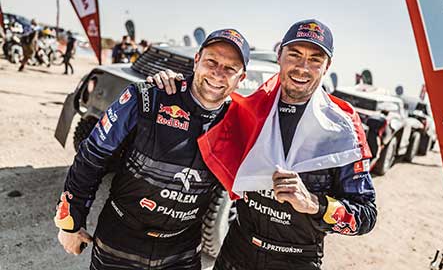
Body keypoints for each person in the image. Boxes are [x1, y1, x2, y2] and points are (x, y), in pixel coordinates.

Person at [153, 19, 377, 270]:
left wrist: (313, 203)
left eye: (315, 59)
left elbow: (366, 215)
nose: (303, 67)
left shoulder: (342, 129)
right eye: (294, 55)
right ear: (279, 55)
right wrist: (172, 85)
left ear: (327, 67)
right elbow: (205, 96)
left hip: (297, 260)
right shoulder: (250, 106)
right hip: (236, 252)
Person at [53, 28, 250, 270]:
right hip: (121, 240)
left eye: (230, 68)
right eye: (212, 61)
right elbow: (91, 157)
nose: (218, 73)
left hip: (182, 251)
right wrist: (70, 222)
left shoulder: (239, 122)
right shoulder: (148, 97)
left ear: (241, 78)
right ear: (197, 60)